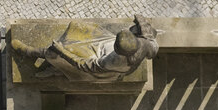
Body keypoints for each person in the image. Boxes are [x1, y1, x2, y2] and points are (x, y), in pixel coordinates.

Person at [12, 15, 158, 81]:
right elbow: (151, 40)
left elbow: (83, 65)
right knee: (79, 28)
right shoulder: (146, 41)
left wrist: (62, 51)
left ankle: (33, 53)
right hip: (102, 44)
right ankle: (57, 66)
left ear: (119, 51)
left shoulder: (112, 61)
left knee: (56, 53)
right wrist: (141, 23)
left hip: (97, 62)